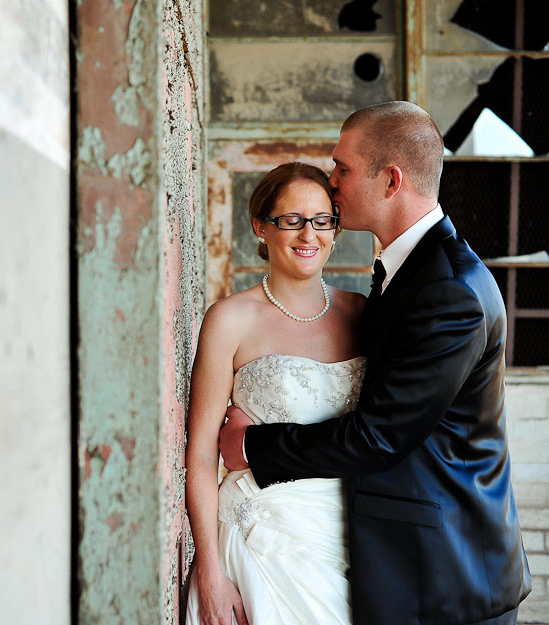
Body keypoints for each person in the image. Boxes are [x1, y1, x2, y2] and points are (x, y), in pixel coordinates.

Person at [219, 101, 531, 625]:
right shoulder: (407, 271)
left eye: (342, 168)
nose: (332, 181)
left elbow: (381, 435)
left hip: (448, 580)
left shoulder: (448, 289)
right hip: (388, 561)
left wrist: (252, 445)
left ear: (390, 181)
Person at [185, 162, 366, 625]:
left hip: (350, 533)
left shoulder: (363, 314)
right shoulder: (229, 320)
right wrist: (209, 571)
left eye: (323, 220)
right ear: (261, 228)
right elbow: (202, 454)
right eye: (291, 220)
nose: (310, 235)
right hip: (259, 543)